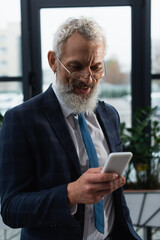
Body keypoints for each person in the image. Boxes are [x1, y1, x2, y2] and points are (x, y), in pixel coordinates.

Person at [0, 17, 142, 240]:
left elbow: (115, 204)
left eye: (96, 67)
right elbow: (11, 209)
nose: (88, 78)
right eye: (76, 67)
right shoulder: (20, 120)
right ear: (53, 61)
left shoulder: (109, 115)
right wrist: (70, 194)